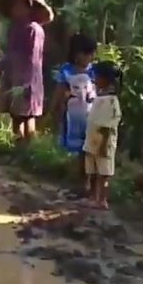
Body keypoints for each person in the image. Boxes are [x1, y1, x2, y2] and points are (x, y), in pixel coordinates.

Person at [0, 0, 52, 146]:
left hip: (28, 81)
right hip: (14, 78)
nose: (15, 10)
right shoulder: (15, 29)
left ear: (29, 8)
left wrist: (24, 83)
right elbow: (11, 53)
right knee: (16, 116)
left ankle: (30, 151)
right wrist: (2, 66)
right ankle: (18, 149)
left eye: (19, 6)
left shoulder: (34, 30)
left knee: (28, 117)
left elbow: (31, 59)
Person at [51, 34, 97, 194]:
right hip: (73, 117)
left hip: (92, 117)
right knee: (80, 151)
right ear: (76, 53)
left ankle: (91, 183)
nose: (89, 57)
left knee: (91, 150)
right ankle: (82, 183)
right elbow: (59, 91)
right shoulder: (66, 71)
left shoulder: (95, 72)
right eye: (86, 54)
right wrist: (55, 109)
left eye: (91, 54)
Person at [83, 60, 122, 210]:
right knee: (92, 170)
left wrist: (103, 144)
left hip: (103, 142)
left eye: (98, 76)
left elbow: (108, 126)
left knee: (103, 172)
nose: (95, 79)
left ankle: (102, 199)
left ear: (106, 79)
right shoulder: (100, 97)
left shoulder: (111, 101)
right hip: (92, 139)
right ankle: (93, 197)